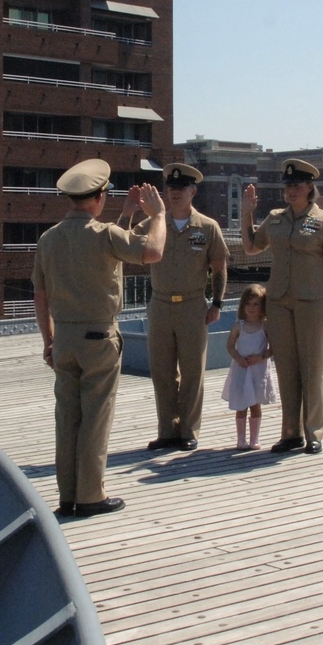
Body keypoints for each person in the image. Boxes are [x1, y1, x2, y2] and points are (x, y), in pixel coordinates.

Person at [32, 159, 166, 518]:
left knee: (67, 419)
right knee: (95, 418)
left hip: (64, 338)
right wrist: (159, 216)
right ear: (99, 197)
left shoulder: (49, 238)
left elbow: (40, 294)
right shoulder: (104, 234)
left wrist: (48, 339)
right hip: (99, 337)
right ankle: (91, 496)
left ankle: (68, 495)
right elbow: (151, 252)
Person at [240, 159, 323, 455]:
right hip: (279, 303)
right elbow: (250, 247)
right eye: (287, 186)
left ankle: (314, 433)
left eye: (297, 186)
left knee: (312, 368)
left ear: (310, 187)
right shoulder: (275, 218)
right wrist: (247, 213)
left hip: (314, 303)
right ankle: (290, 433)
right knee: (286, 368)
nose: (291, 191)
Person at [122, 163, 228, 452]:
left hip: (193, 305)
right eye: (171, 188)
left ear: (193, 191)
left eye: (181, 188)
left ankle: (188, 431)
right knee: (162, 371)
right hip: (160, 305)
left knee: (193, 371)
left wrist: (217, 302)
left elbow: (219, 268)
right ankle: (167, 430)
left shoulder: (207, 227)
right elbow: (123, 242)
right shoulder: (156, 224)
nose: (175, 193)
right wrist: (129, 211)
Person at [221, 284, 277, 450]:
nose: (251, 308)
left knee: (255, 404)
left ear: (262, 307)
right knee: (241, 404)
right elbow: (230, 346)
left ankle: (254, 439)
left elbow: (273, 348)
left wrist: (261, 357)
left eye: (256, 304)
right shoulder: (239, 326)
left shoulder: (265, 326)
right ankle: (241, 439)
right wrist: (238, 358)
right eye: (248, 304)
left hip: (258, 371)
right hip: (241, 370)